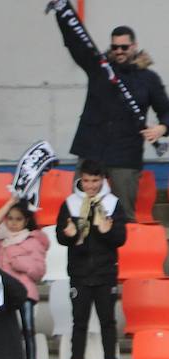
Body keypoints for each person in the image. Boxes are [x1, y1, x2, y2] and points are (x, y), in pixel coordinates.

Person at [53, 7, 169, 209]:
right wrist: (61, 11)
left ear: (134, 46)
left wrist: (162, 128)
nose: (119, 52)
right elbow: (76, 43)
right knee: (80, 210)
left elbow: (166, 111)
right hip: (90, 150)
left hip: (125, 155)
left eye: (124, 47)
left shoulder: (149, 79)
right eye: (115, 47)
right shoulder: (99, 69)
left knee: (123, 216)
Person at [57, 159, 130, 359]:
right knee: (79, 322)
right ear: (81, 179)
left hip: (105, 272)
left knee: (108, 321)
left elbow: (120, 238)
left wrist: (106, 232)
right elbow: (62, 236)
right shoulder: (69, 203)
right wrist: (68, 234)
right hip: (79, 274)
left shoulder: (112, 203)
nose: (90, 186)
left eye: (95, 181)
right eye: (87, 181)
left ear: (103, 180)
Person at [0, 197, 49, 359]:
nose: (13, 223)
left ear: (26, 221)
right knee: (7, 332)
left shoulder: (33, 241)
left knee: (27, 330)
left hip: (25, 292)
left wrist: (20, 264)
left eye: (18, 219)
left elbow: (39, 271)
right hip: (4, 293)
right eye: (10, 218)